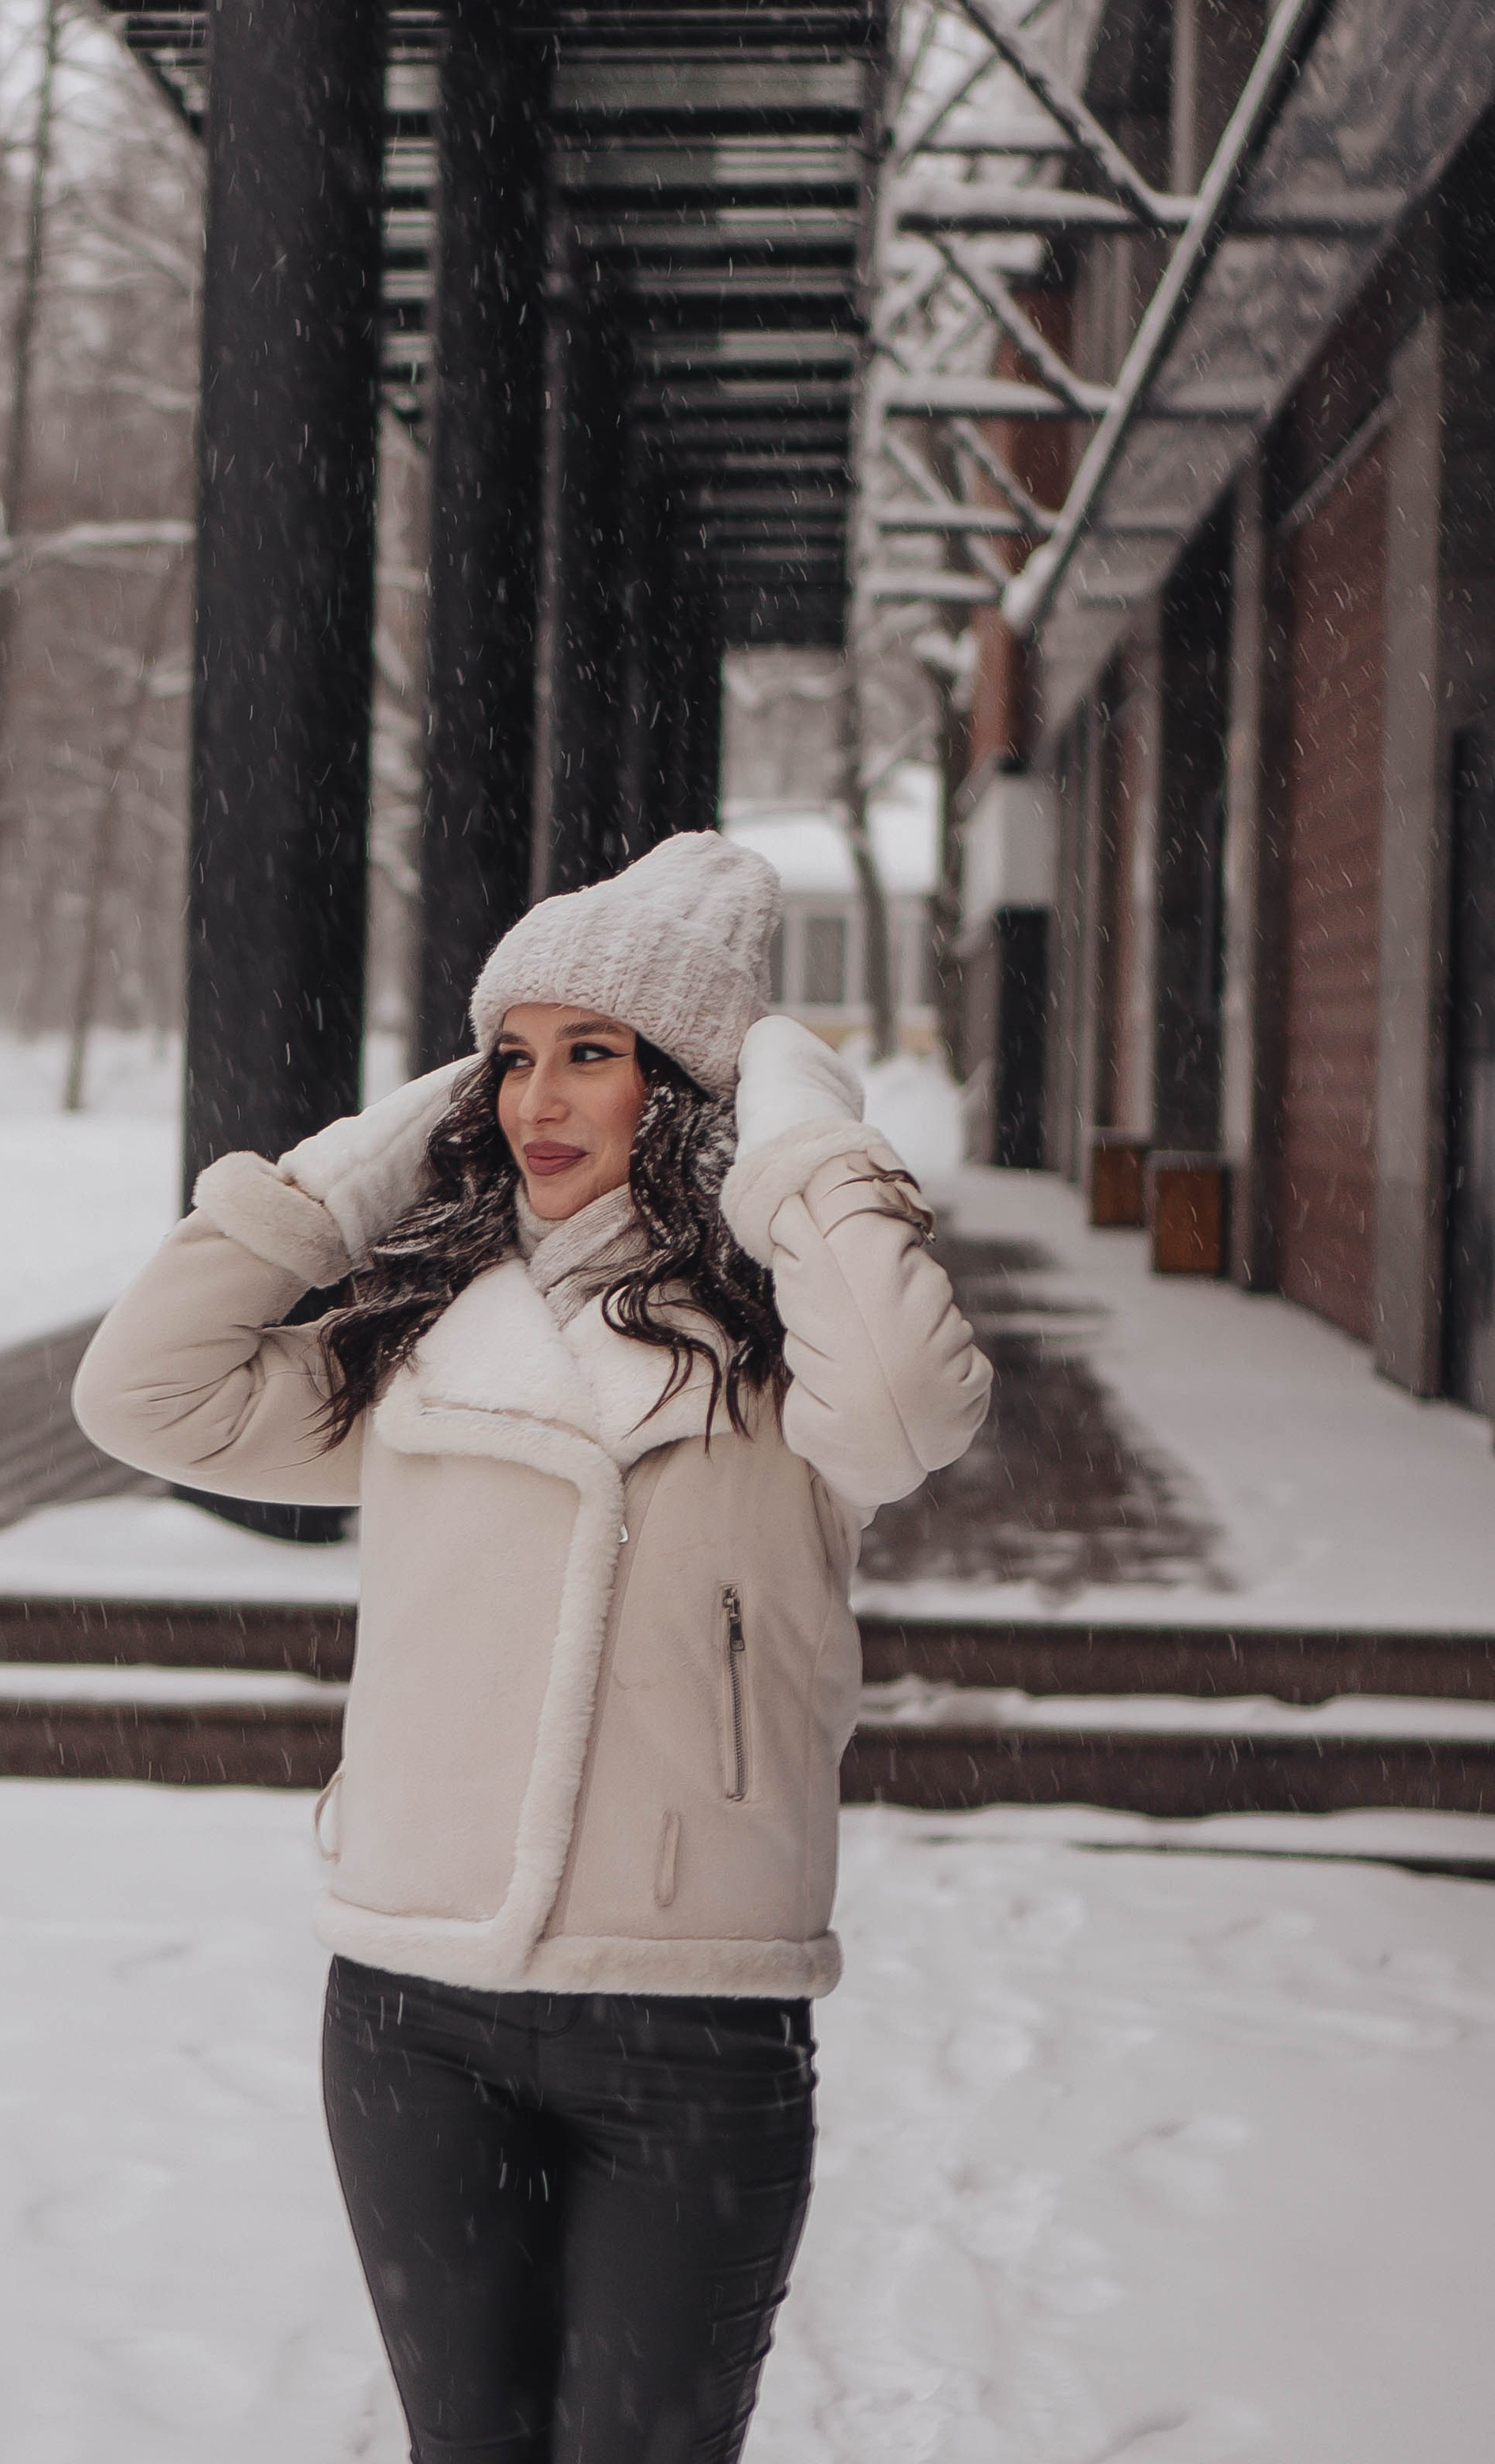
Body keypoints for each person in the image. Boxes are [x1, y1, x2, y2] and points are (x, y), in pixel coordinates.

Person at [74, 831, 992, 2463]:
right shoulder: (421, 1336)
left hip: (690, 2017)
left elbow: (916, 1408)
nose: (537, 1100)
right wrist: (350, 1174)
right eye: (510, 1058)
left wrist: (801, 1127)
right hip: (411, 2013)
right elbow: (143, 1395)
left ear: (686, 1092)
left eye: (594, 1054)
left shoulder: (786, 1353)